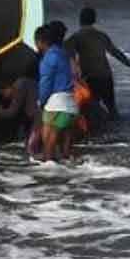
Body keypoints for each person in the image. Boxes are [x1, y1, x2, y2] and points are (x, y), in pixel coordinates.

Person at [64, 7, 130, 121]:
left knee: (91, 109)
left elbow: (66, 54)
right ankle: (118, 132)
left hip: (90, 77)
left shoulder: (76, 37)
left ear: (80, 20)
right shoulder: (102, 35)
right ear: (94, 20)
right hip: (106, 75)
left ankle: (101, 134)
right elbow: (116, 53)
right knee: (112, 108)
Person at [36, 24, 78, 162]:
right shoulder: (64, 53)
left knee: (48, 151)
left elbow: (45, 84)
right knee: (66, 153)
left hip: (56, 106)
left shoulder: (49, 58)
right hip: (71, 105)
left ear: (41, 42)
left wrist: (41, 102)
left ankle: (50, 181)